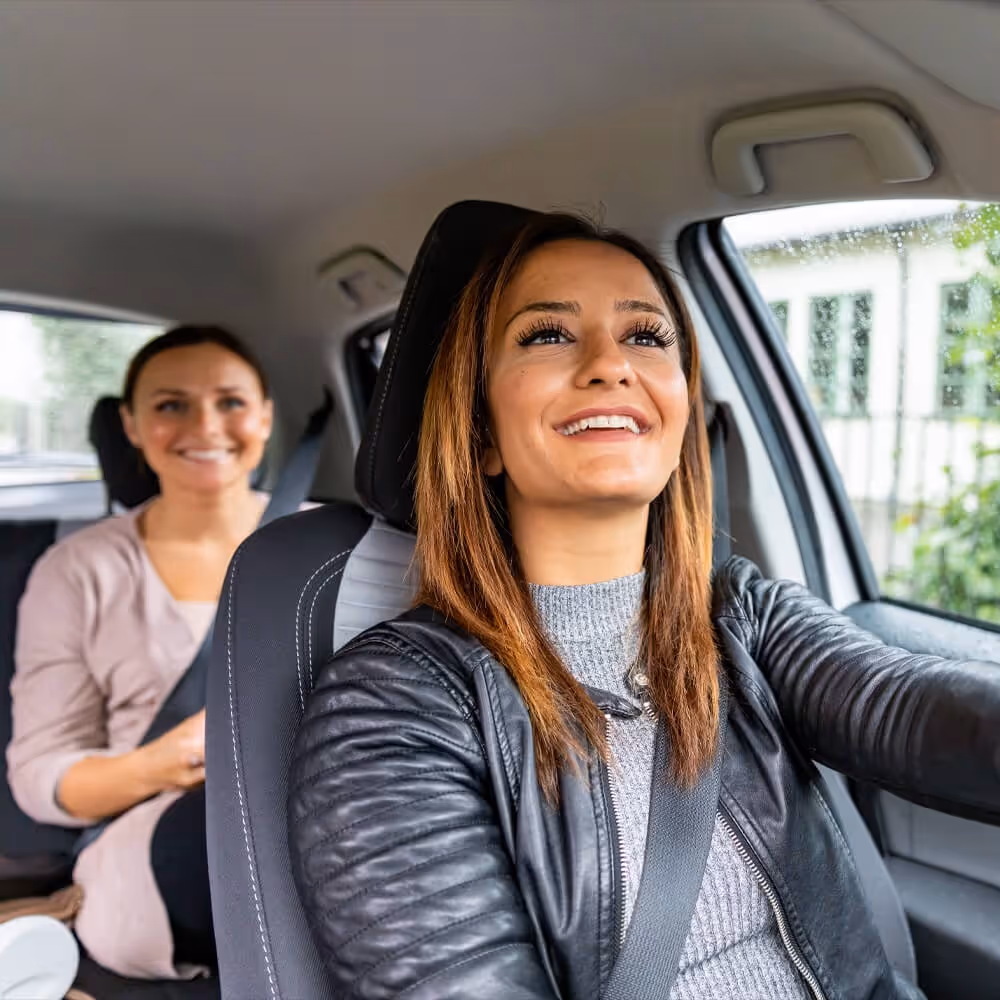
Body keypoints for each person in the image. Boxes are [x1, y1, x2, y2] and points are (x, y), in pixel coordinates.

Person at [287, 212, 1000, 999]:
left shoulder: (739, 616)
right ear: (481, 431)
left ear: (680, 411)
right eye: (547, 336)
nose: (609, 364)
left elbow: (909, 707)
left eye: (647, 336)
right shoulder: (394, 707)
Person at [8, 325, 274, 980]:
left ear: (266, 415)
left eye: (231, 402)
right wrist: (172, 759)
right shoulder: (78, 570)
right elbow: (43, 775)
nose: (206, 425)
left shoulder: (336, 542)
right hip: (159, 840)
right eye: (171, 405)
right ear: (130, 425)